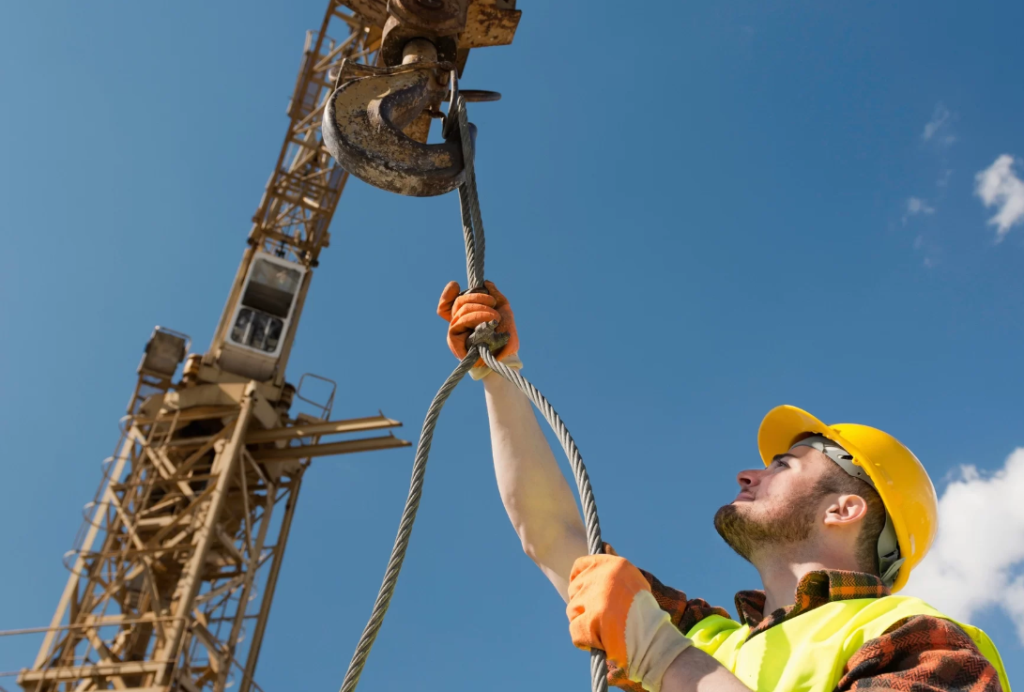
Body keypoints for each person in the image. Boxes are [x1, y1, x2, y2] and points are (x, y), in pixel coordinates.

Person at [436, 281, 1011, 692]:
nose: (747, 473)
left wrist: (662, 658)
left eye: (784, 465)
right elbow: (553, 534)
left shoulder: (922, 639)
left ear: (845, 507)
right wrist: (497, 377)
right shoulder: (707, 637)